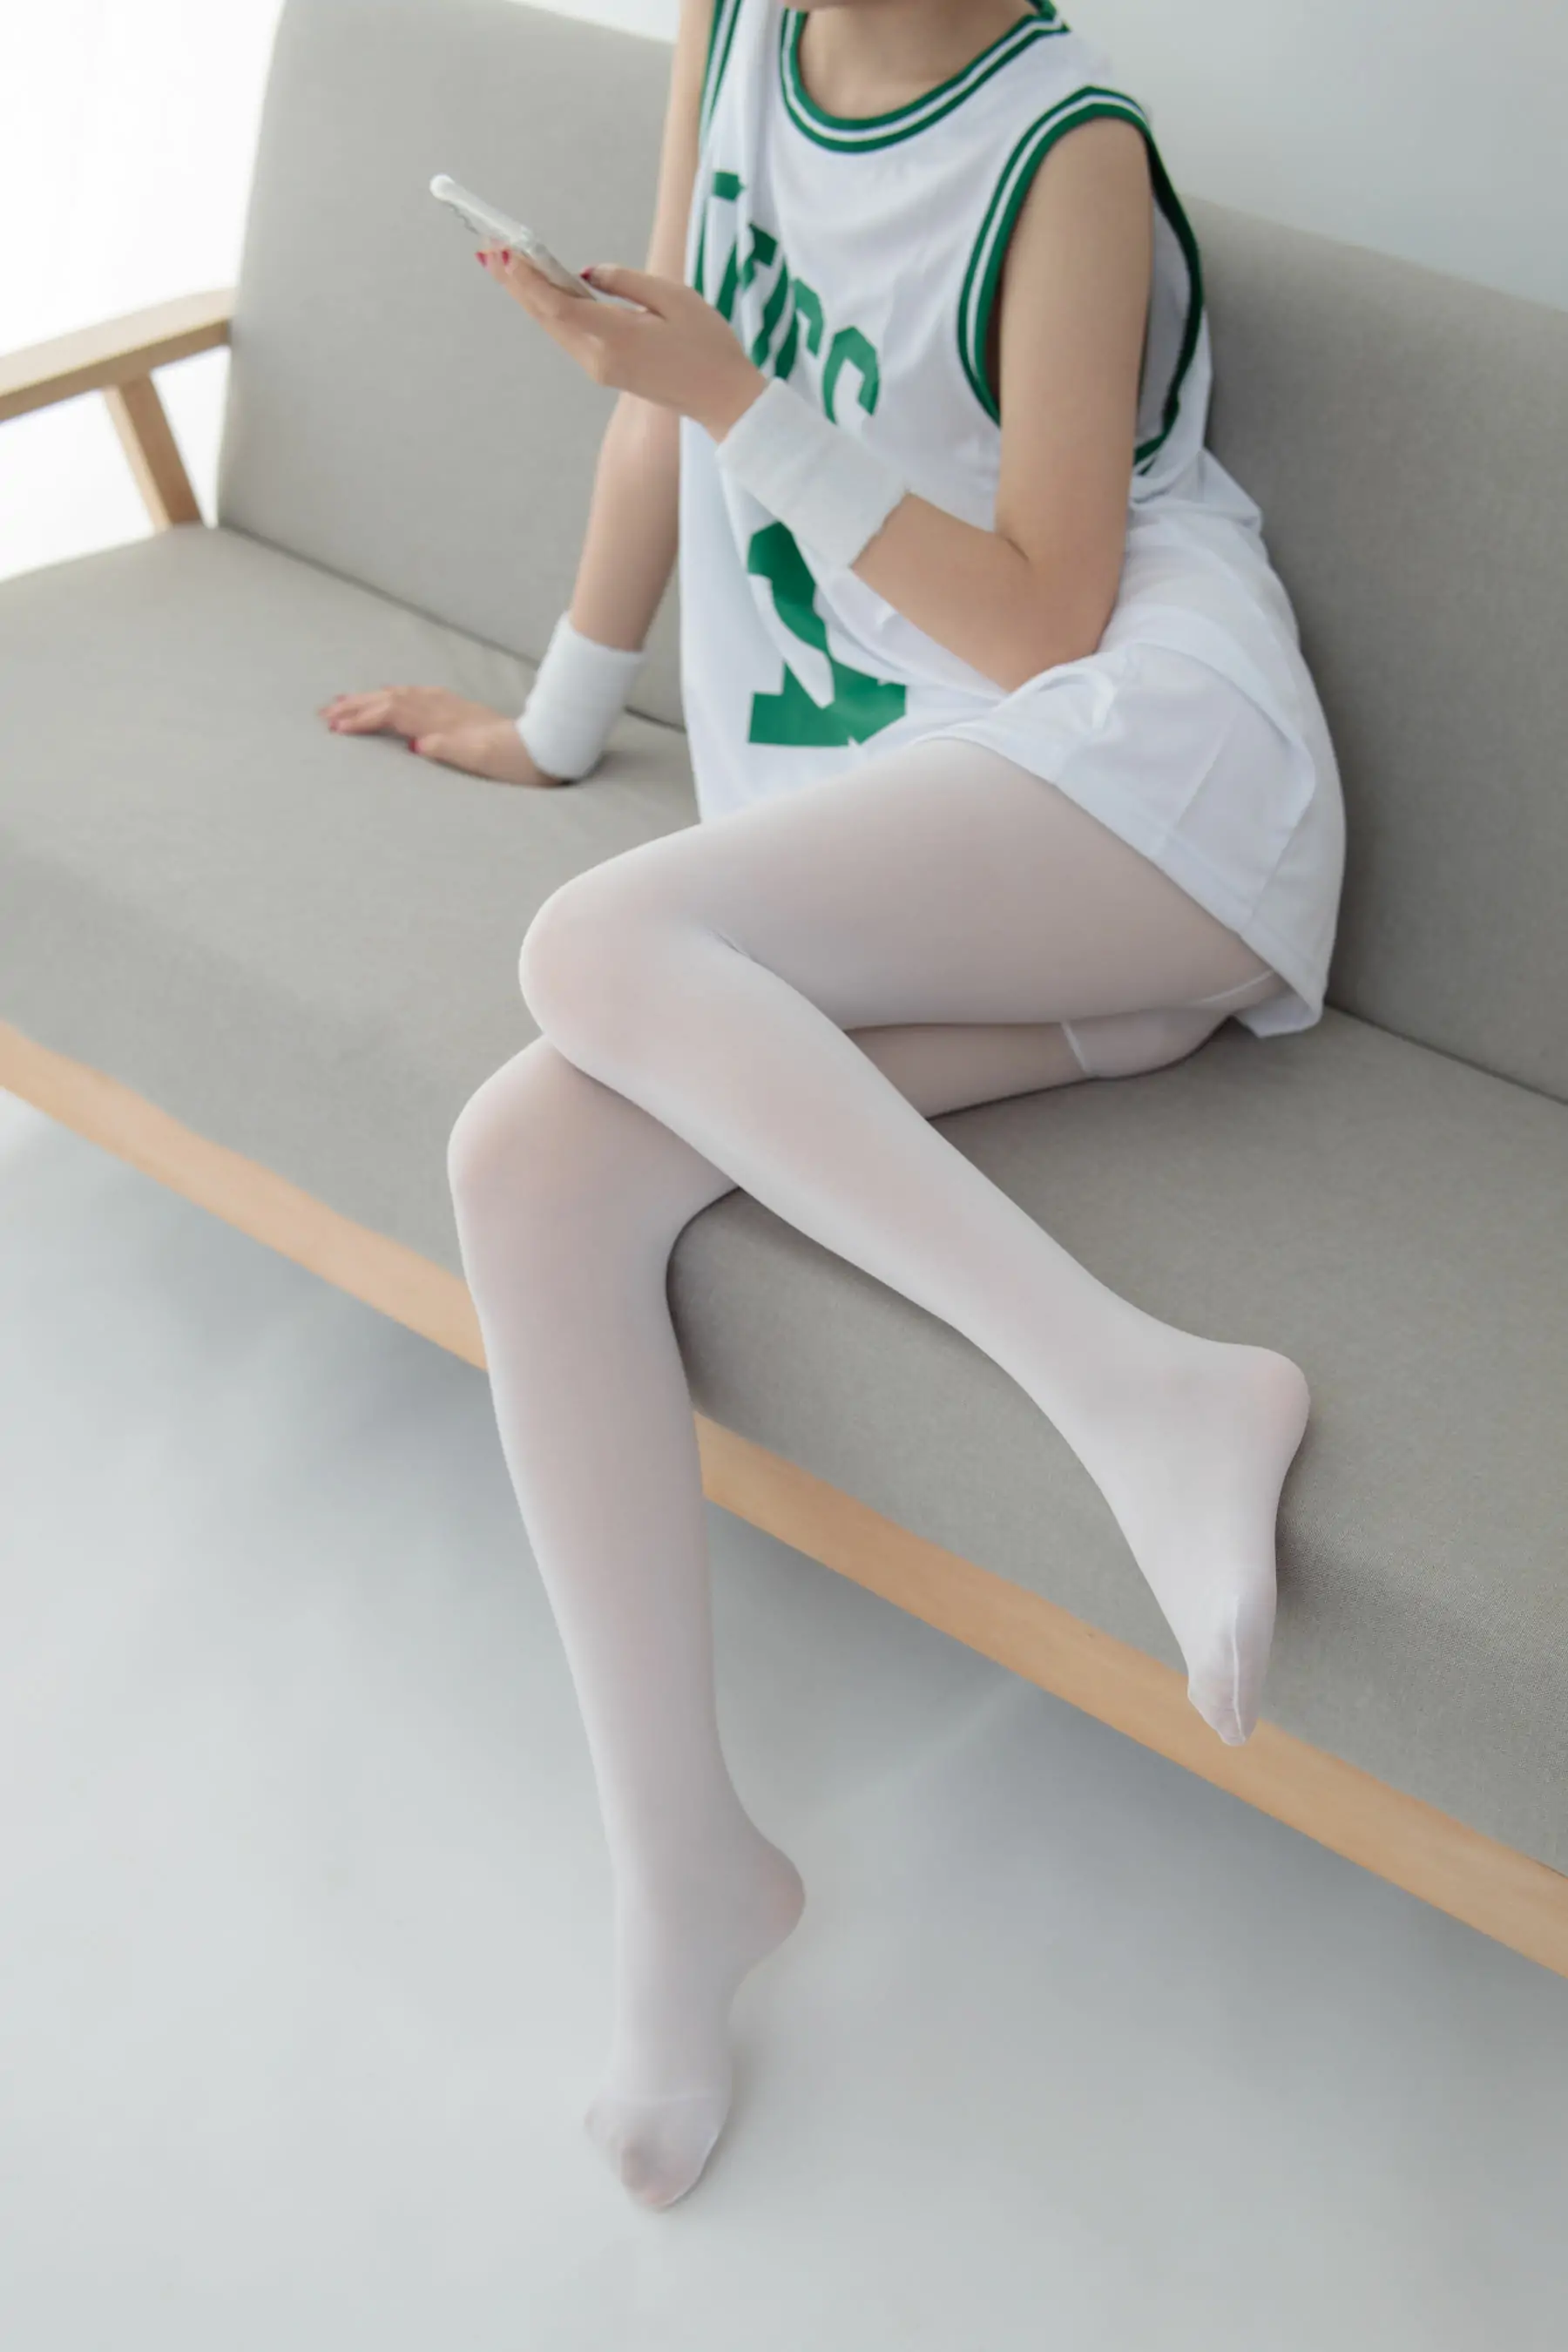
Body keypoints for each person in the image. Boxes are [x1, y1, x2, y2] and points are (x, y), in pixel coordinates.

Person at [317, 0, 1346, 2211]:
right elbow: (658, 414)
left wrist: (735, 399)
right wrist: (560, 722)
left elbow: (1047, 620)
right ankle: (684, 1868)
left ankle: (1148, 1397)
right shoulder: (739, 25)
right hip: (942, 837)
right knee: (526, 1164)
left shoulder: (1067, 148)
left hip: (1144, 760)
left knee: (592, 953)